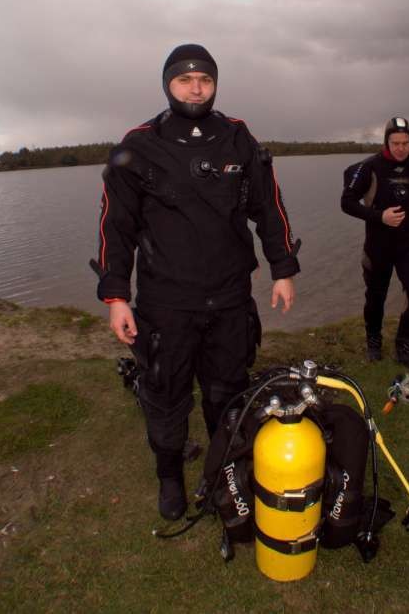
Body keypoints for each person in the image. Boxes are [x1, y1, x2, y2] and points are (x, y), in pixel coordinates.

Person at [92, 44, 300, 520]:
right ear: (168, 84)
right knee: (165, 396)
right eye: (185, 80)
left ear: (215, 84)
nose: (195, 87)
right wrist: (117, 297)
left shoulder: (238, 138)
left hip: (230, 297)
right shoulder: (139, 145)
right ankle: (170, 477)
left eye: (204, 79)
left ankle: (222, 472)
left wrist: (282, 268)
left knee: (228, 393)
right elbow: (115, 228)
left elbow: (269, 206)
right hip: (166, 302)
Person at [341, 117, 409, 369]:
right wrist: (380, 216)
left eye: (405, 142)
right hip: (378, 246)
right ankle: (374, 341)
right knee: (375, 298)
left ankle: (405, 345)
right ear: (386, 142)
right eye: (395, 143)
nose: (400, 148)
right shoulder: (370, 167)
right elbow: (346, 202)